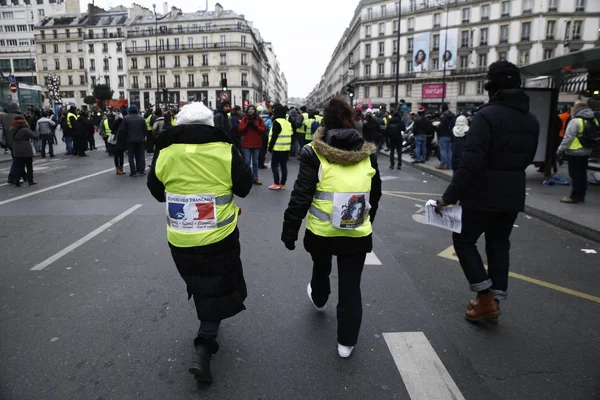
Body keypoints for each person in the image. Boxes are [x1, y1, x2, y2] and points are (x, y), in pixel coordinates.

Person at [147, 101, 253, 384]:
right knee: (216, 283)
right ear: (210, 125)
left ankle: (208, 330)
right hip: (219, 235)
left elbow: (156, 191)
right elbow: (243, 187)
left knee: (203, 282)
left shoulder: (166, 151)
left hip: (180, 238)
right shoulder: (224, 149)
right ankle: (205, 345)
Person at [434, 60, 539, 323]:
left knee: (464, 241)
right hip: (513, 193)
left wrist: (449, 197)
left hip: (482, 194)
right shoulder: (531, 120)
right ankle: (494, 296)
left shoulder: (485, 116)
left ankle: (484, 299)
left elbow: (471, 162)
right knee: (499, 243)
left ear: (491, 87)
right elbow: (527, 158)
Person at [281, 98, 382, 358]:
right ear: (352, 121)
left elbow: (301, 195)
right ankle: (346, 343)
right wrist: (368, 220)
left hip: (322, 233)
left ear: (324, 122)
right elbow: (376, 193)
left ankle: (320, 297)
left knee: (320, 266)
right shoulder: (367, 153)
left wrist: (290, 229)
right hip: (356, 233)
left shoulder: (313, 152)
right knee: (351, 287)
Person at [557, 100, 597, 204]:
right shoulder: (594, 120)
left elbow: (568, 138)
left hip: (574, 152)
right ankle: (581, 196)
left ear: (577, 109)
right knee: (583, 174)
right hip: (587, 151)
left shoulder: (575, 121)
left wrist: (560, 151)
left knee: (575, 175)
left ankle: (574, 197)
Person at [238, 104, 267, 185]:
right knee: (247, 162)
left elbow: (263, 129)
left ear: (255, 110)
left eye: (252, 109)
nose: (250, 110)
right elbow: (240, 129)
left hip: (256, 143)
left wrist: (256, 126)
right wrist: (246, 125)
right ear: (247, 110)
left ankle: (255, 178)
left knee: (255, 162)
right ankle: (247, 178)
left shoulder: (259, 119)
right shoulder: (244, 119)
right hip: (247, 143)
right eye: (249, 109)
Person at [267, 105, 293, 190]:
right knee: (283, 166)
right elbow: (291, 135)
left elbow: (274, 136)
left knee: (274, 165)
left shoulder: (277, 122)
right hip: (286, 148)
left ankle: (276, 183)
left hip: (277, 147)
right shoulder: (287, 123)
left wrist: (270, 147)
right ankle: (282, 184)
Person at [119, 104, 147, 177]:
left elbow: (122, 130)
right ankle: (141, 170)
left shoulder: (125, 118)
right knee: (140, 155)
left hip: (130, 140)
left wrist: (126, 136)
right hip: (140, 140)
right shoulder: (141, 118)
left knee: (131, 156)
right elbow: (145, 130)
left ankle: (133, 171)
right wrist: (143, 137)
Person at [10, 115, 39, 186]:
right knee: (29, 166)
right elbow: (35, 137)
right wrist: (37, 131)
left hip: (16, 149)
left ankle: (16, 181)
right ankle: (30, 181)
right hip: (26, 149)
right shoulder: (25, 130)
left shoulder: (12, 129)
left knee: (20, 166)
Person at [1, 103, 22, 184]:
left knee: (17, 159)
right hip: (18, 141)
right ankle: (11, 176)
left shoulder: (3, 117)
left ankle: (24, 176)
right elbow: (26, 128)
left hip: (8, 141)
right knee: (17, 160)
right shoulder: (19, 117)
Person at [436, 104, 455, 170]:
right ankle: (449, 165)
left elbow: (441, 126)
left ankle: (443, 164)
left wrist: (437, 127)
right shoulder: (453, 116)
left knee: (443, 150)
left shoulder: (443, 116)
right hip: (451, 135)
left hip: (443, 135)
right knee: (449, 151)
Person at [108, 110, 126, 175]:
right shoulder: (112, 118)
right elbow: (112, 128)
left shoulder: (122, 119)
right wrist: (117, 120)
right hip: (116, 139)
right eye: (116, 111)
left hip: (121, 139)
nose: (118, 113)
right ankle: (118, 168)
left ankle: (121, 167)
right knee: (117, 155)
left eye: (119, 111)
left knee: (121, 154)